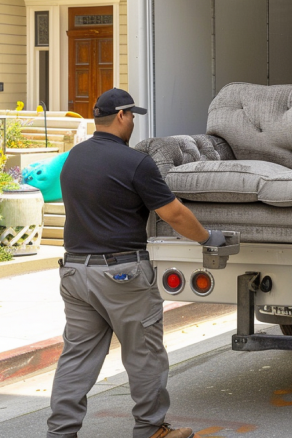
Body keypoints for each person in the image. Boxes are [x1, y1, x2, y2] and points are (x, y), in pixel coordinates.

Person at [47, 88, 227, 438]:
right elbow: (173, 213)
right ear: (121, 116)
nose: (133, 122)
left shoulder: (74, 158)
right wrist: (208, 238)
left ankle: (61, 433)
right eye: (132, 116)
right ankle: (150, 430)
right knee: (144, 354)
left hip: (74, 272)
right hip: (121, 274)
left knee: (77, 358)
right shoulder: (135, 162)